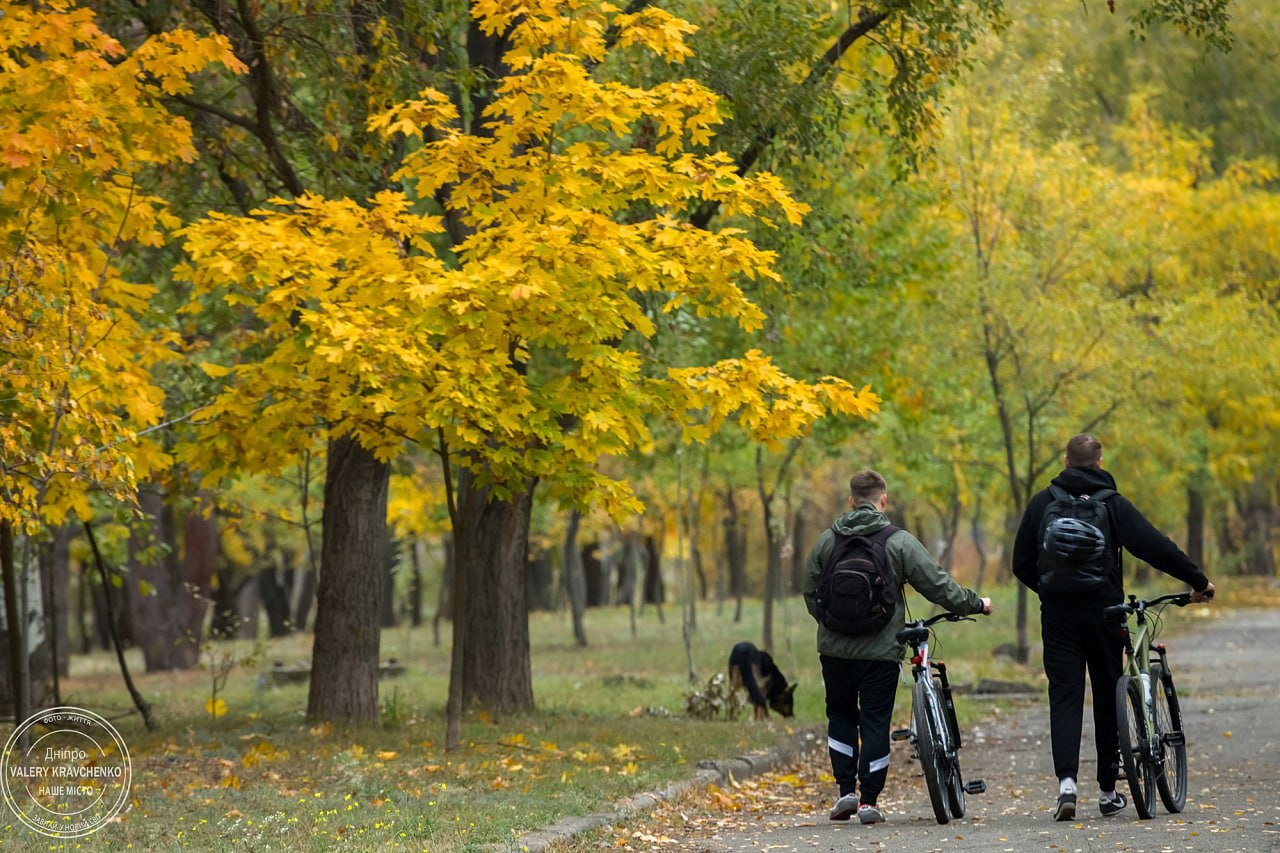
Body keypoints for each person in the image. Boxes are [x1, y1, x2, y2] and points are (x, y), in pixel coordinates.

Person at [1012, 433, 1214, 822]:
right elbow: (1155, 546)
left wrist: (1051, 591)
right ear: (1099, 464)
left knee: (1065, 696)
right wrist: (1197, 579)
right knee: (1108, 694)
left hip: (1058, 618)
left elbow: (1021, 563)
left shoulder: (1042, 503)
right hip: (1105, 612)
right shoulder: (1113, 504)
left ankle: (1067, 785)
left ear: (1066, 463)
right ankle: (1107, 791)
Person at [803, 469, 991, 825]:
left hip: (834, 652)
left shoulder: (828, 540)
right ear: (883, 500)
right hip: (881, 652)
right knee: (875, 720)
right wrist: (975, 603)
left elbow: (809, 589)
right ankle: (868, 801)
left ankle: (844, 792)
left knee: (840, 716)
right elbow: (938, 586)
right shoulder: (898, 541)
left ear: (850, 501)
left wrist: (831, 624)